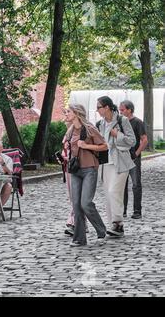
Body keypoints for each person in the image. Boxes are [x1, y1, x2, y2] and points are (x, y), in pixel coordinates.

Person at [64, 104, 108, 247]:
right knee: (76, 205)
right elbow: (68, 146)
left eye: (69, 112)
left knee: (86, 203)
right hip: (75, 170)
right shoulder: (70, 130)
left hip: (89, 168)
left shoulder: (89, 129)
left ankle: (101, 230)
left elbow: (104, 146)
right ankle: (79, 239)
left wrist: (86, 146)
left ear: (76, 113)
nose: (67, 114)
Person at [96, 96, 136, 238]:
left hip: (120, 163)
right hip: (105, 164)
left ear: (106, 107)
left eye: (99, 107)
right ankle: (114, 225)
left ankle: (118, 223)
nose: (97, 110)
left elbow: (132, 141)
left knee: (114, 192)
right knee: (108, 195)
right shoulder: (100, 124)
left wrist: (117, 135)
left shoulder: (122, 120)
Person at [119, 100, 148, 219]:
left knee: (136, 185)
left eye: (122, 109)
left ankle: (137, 211)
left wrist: (136, 154)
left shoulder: (137, 122)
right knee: (122, 185)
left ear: (129, 110)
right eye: (120, 110)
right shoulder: (120, 122)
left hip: (133, 159)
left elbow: (144, 140)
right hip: (122, 158)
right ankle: (123, 211)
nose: (120, 111)